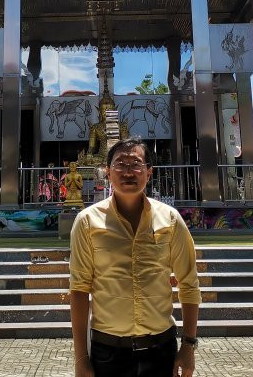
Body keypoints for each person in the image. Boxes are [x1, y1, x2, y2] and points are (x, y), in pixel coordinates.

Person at [69, 137, 200, 377]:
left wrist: (188, 346)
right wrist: (80, 358)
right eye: (120, 164)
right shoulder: (87, 222)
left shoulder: (170, 220)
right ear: (107, 172)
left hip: (161, 351)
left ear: (149, 173)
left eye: (136, 164)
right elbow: (79, 290)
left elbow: (189, 284)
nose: (128, 172)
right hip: (107, 352)